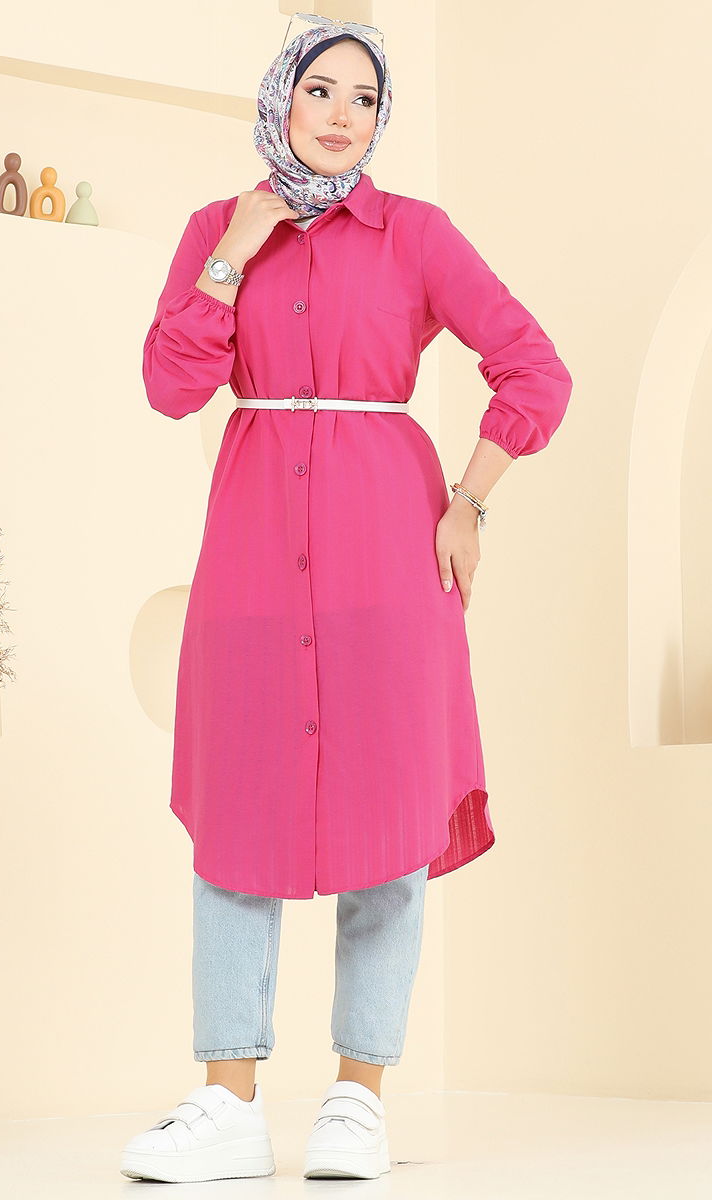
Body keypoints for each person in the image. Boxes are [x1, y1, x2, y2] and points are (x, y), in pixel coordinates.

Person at [120, 11, 572, 1186]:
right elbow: (171, 385)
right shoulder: (214, 229)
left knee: (387, 830)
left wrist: (469, 500)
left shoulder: (415, 233)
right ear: (279, 97)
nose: (339, 114)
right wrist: (235, 247)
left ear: (380, 120)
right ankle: (225, 1103)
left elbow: (533, 366)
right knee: (235, 825)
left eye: (362, 98)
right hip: (250, 561)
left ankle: (356, 1100)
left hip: (387, 564)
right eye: (317, 88)